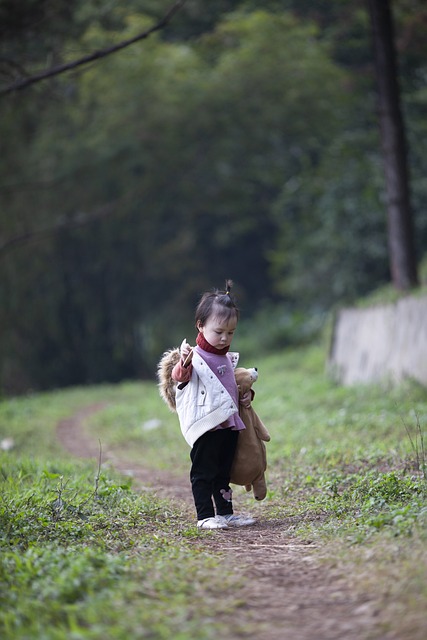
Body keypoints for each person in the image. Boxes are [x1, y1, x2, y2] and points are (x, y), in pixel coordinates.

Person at [171, 280, 256, 530]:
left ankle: (226, 513)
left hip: (228, 424)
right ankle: (205, 515)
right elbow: (180, 377)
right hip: (207, 426)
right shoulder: (194, 356)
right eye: (219, 332)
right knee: (203, 472)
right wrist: (184, 362)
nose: (224, 338)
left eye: (230, 333)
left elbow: (232, 386)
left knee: (222, 472)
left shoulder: (226, 357)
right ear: (200, 325)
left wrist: (247, 395)